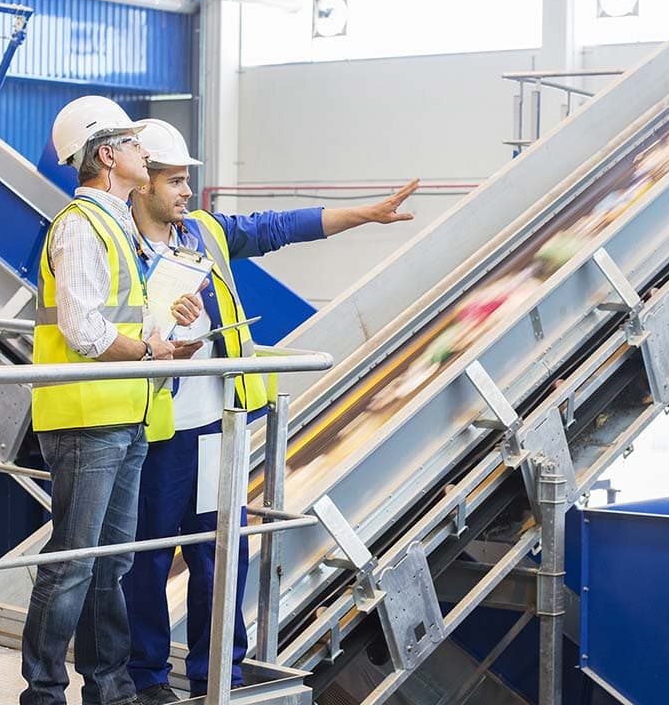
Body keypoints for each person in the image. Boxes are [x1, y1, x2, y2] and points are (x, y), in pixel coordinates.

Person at [122, 117, 419, 704]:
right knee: (148, 559)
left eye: (187, 180)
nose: (188, 192)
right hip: (155, 429)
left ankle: (220, 677)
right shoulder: (116, 242)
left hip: (215, 426)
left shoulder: (202, 231)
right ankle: (148, 681)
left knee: (218, 554)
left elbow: (278, 227)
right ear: (141, 182)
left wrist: (365, 213)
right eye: (176, 181)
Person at [22, 97, 190, 705]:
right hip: (87, 417)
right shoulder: (80, 225)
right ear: (109, 154)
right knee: (72, 562)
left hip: (126, 413)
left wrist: (168, 327)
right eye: (135, 142)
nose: (147, 152)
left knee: (109, 564)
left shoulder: (119, 224)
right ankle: (43, 691)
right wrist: (147, 354)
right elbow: (84, 330)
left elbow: (123, 316)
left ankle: (108, 685)